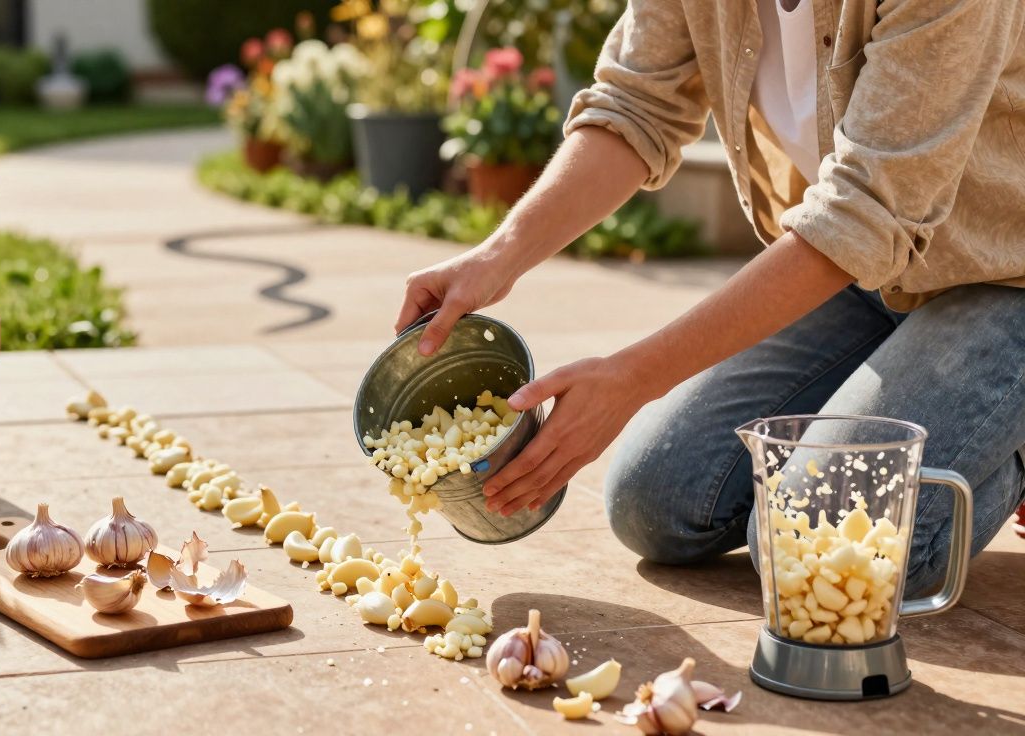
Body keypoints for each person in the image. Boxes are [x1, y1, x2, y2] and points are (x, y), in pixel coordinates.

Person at [396, 0, 1025, 593]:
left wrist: (631, 377)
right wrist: (496, 256)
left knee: (818, 553)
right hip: (866, 273)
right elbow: (636, 104)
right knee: (655, 501)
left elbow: (867, 210)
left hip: (1003, 273)